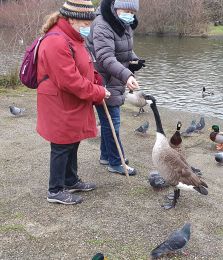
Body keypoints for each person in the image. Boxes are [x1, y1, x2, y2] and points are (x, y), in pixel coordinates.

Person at [36, 0, 110, 205]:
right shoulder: (56, 41)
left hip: (72, 102)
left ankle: (70, 180)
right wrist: (97, 92)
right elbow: (69, 81)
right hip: (59, 103)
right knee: (61, 145)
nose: (89, 28)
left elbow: (83, 65)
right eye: (85, 23)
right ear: (71, 19)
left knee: (72, 141)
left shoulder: (74, 37)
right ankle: (55, 190)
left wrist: (96, 78)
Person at [86, 0, 145, 176]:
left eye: (132, 11)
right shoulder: (103, 24)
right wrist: (126, 75)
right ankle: (116, 161)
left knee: (107, 121)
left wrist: (134, 61)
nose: (129, 14)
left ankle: (107, 155)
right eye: (125, 10)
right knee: (113, 122)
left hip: (113, 77)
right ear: (115, 7)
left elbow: (124, 51)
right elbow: (105, 57)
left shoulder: (123, 23)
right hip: (102, 80)